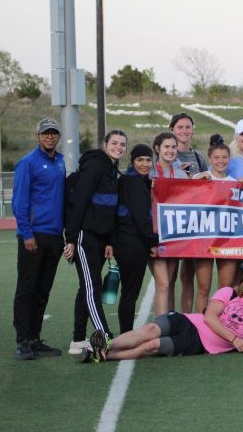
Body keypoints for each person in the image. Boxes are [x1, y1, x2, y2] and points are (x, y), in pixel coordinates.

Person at [81, 266, 243, 362]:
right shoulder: (228, 292)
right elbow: (210, 318)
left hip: (198, 344)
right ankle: (105, 343)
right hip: (188, 322)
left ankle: (102, 355)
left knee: (152, 346)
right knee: (150, 329)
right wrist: (235, 339)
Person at [63, 129, 127, 354]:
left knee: (87, 287)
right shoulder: (95, 166)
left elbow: (108, 209)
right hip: (84, 236)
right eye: (114, 143)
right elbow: (78, 202)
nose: (118, 147)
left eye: (122, 144)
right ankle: (106, 337)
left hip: (100, 239)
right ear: (104, 144)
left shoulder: (112, 169)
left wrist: (109, 240)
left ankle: (78, 339)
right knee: (92, 289)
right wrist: (71, 238)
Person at [12, 118, 66, 360]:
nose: (50, 137)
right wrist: (27, 232)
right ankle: (22, 341)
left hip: (54, 236)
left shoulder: (61, 161)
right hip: (33, 235)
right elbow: (19, 202)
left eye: (54, 133)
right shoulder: (28, 163)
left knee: (43, 290)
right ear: (38, 136)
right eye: (46, 133)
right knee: (27, 289)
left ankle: (35, 338)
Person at [191, 135, 240, 312]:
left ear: (229, 159)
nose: (221, 161)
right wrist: (195, 183)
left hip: (227, 242)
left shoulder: (235, 183)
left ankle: (221, 327)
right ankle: (198, 328)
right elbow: (183, 198)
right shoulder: (201, 177)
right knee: (203, 288)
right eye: (216, 158)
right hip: (205, 239)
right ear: (210, 159)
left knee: (224, 290)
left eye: (224, 157)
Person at [113, 144, 158, 334]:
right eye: (140, 160)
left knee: (128, 293)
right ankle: (126, 335)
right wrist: (153, 242)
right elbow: (141, 218)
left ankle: (126, 333)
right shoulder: (134, 183)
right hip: (132, 243)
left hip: (125, 242)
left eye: (148, 160)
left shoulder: (131, 180)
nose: (145, 164)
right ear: (132, 161)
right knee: (130, 293)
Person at [169, 113, 207, 314]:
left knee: (188, 275)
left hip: (194, 222)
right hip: (173, 223)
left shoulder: (199, 157)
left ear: (192, 130)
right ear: (172, 130)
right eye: (180, 127)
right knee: (169, 276)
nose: (184, 131)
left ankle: (186, 318)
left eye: (187, 127)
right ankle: (168, 317)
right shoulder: (167, 154)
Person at [149, 132, 189, 316]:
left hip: (174, 235)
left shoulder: (181, 173)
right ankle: (159, 327)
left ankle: (169, 321)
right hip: (154, 235)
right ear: (157, 149)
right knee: (163, 283)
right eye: (166, 147)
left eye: (173, 147)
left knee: (170, 282)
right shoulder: (149, 171)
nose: (171, 151)